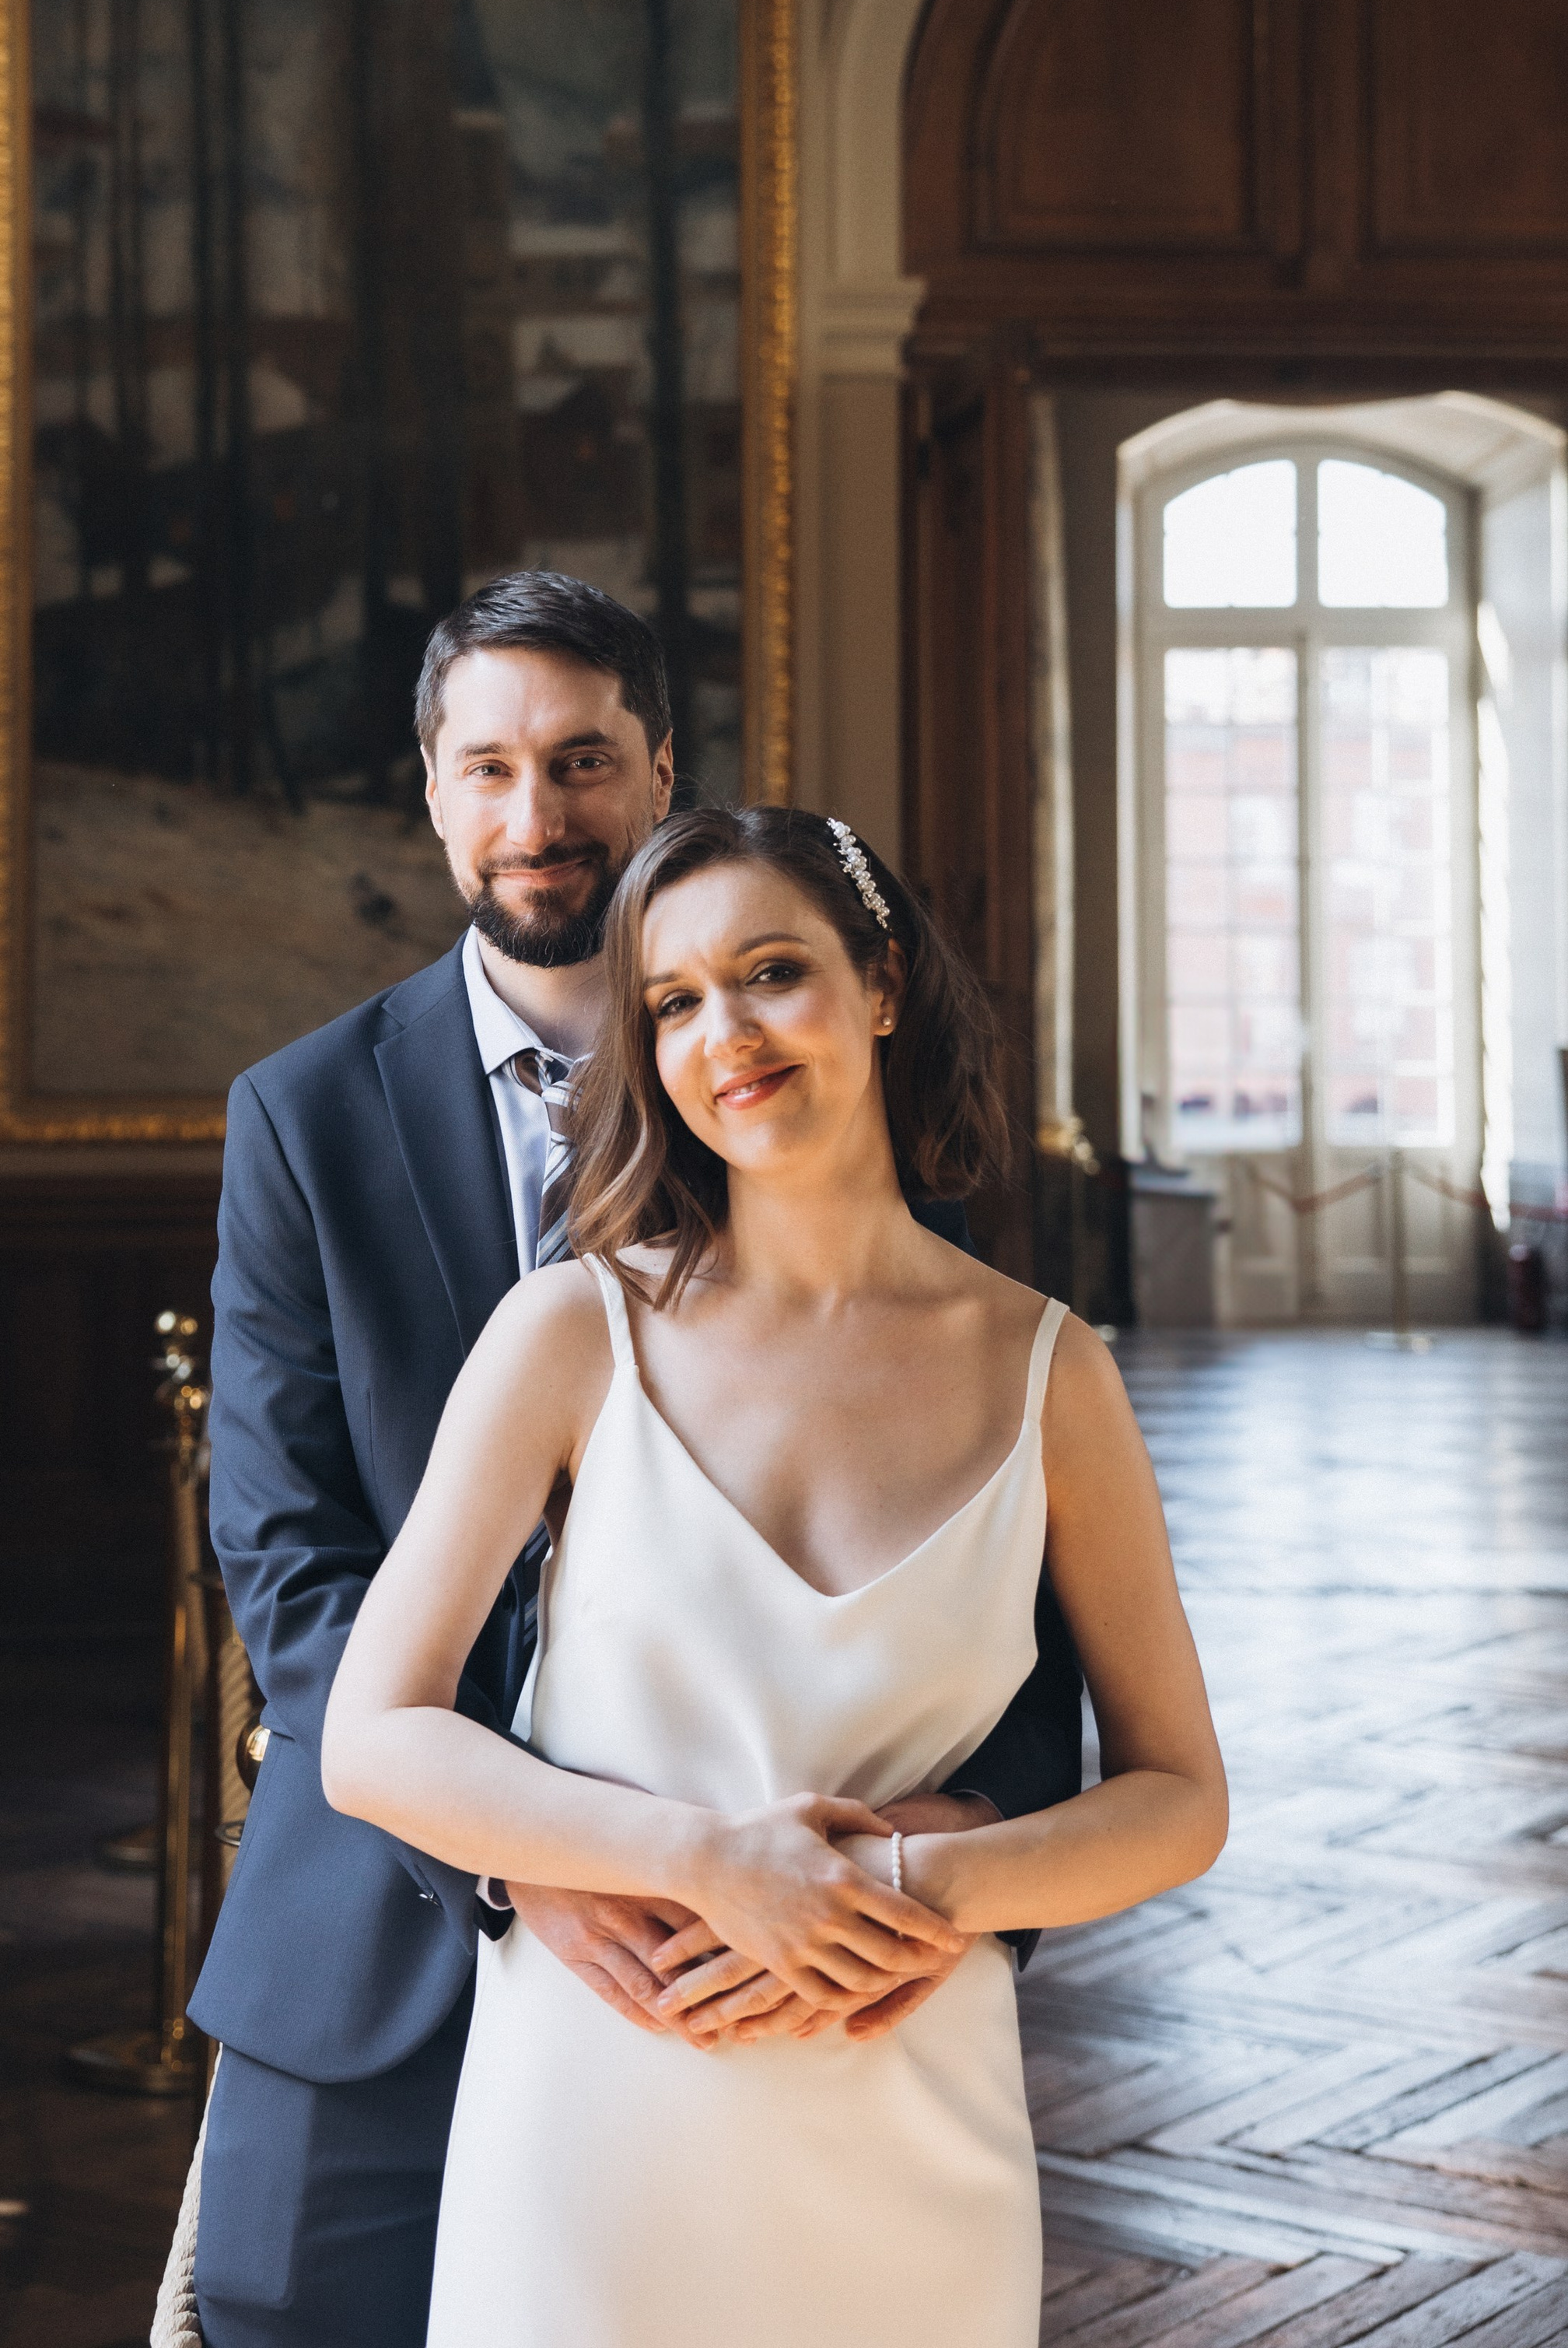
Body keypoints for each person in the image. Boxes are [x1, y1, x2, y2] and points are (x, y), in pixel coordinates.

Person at [181, 577, 1087, 2347]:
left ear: (659, 772)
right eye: (492, 769)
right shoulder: (301, 1115)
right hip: (383, 1915)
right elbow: (285, 1557)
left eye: (585, 761)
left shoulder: (828, 1128)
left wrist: (951, 1844)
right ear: (431, 794)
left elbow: (997, 1583)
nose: (540, 819)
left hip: (773, 1948)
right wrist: (534, 1859)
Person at [324, 801, 1227, 2347]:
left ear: (877, 981)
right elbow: (373, 1737)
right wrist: (698, 1860)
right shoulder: (568, 1333)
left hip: (907, 2103)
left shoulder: (1044, 1370)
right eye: (671, 1003)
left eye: (768, 973)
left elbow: (1176, 1799)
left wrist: (897, 1884)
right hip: (593, 2110)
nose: (722, 1033)